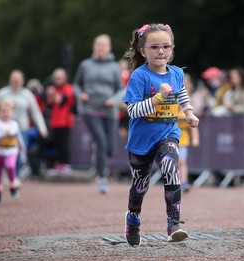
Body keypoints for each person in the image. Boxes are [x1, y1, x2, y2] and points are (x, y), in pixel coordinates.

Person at [122, 23, 199, 246]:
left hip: (168, 133)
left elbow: (182, 93)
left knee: (170, 168)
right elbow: (132, 111)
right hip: (140, 141)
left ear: (172, 49)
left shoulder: (176, 73)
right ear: (143, 50)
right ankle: (133, 218)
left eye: (166, 46)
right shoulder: (139, 76)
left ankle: (173, 223)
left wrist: (189, 112)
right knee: (140, 186)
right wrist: (158, 99)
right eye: (154, 47)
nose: (161, 51)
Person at [73, 34, 124, 193]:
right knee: (100, 142)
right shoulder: (85, 65)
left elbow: (121, 89)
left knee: (110, 147)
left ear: (109, 48)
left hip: (109, 110)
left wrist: (114, 100)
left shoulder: (114, 67)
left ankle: (105, 163)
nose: (101, 48)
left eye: (104, 45)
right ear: (93, 47)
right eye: (98, 45)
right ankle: (102, 177)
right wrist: (80, 94)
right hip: (90, 109)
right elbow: (76, 84)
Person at [0, 70, 48, 181]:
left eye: (18, 80)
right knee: (6, 152)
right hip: (4, 129)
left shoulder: (27, 94)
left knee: (19, 153)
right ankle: (9, 172)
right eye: (13, 79)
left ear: (22, 81)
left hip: (21, 129)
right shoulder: (2, 93)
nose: (15, 82)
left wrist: (42, 128)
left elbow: (36, 112)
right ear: (10, 80)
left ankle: (15, 176)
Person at [0, 99, 25, 203]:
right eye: (2, 111)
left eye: (7, 111)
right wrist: (3, 134)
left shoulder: (14, 124)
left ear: (12, 112)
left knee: (10, 166)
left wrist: (21, 145)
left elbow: (18, 135)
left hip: (11, 151)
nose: (5, 113)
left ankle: (12, 185)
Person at [45, 68, 75, 176]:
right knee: (57, 144)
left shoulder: (67, 88)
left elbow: (61, 101)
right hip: (55, 121)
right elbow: (49, 105)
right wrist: (49, 95)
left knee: (63, 144)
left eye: (60, 77)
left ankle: (65, 164)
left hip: (64, 121)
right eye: (56, 77)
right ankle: (60, 164)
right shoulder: (55, 89)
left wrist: (52, 94)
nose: (57, 80)